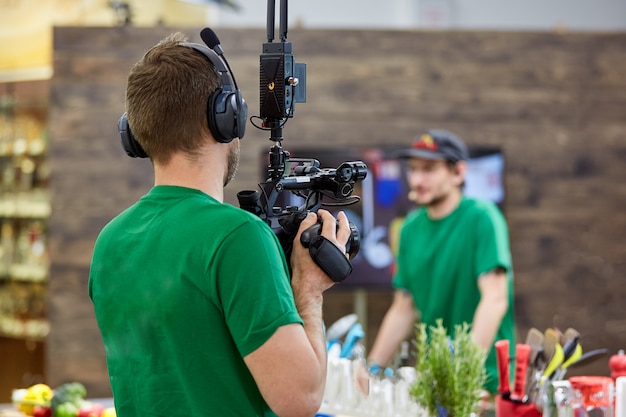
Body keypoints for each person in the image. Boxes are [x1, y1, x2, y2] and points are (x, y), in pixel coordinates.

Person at [88, 31, 351, 417]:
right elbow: (301, 399)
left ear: (135, 132)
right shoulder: (237, 237)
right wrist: (308, 291)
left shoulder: (110, 240)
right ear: (226, 119)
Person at [366, 129, 516, 399]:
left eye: (429, 169)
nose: (417, 179)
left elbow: (495, 299)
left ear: (458, 172)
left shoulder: (482, 218)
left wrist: (464, 373)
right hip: (434, 383)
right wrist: (371, 369)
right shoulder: (410, 228)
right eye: (413, 169)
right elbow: (404, 308)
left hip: (485, 383)